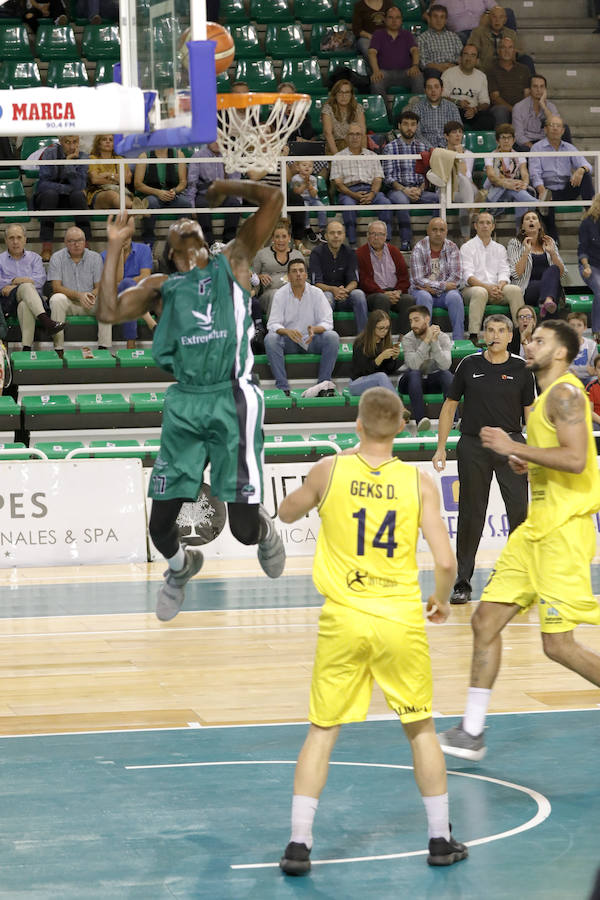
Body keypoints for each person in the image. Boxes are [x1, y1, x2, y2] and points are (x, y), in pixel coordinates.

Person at [278, 386, 467, 876]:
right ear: (403, 427)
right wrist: (442, 601)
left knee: (323, 730)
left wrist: (312, 492)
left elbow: (285, 512)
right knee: (420, 727)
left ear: (356, 426)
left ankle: (299, 844)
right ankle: (440, 839)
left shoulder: (331, 468)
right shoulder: (418, 481)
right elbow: (446, 561)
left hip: (343, 616)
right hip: (399, 618)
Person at [96, 182, 287, 621]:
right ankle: (181, 567)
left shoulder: (234, 262)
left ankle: (264, 529)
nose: (187, 224)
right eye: (179, 228)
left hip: (231, 396)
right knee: (159, 528)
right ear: (171, 250)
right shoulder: (162, 285)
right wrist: (113, 247)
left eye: (194, 224)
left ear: (204, 240)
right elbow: (107, 311)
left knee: (241, 532)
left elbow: (274, 200)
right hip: (185, 403)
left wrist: (226, 185)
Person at [439, 319, 600, 761]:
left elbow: (576, 457)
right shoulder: (548, 396)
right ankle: (472, 730)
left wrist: (515, 448)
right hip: (535, 533)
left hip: (562, 532)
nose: (530, 344)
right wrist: (529, 462)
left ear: (563, 353)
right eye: (530, 338)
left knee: (557, 645)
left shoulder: (566, 392)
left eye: (541, 340)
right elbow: (556, 459)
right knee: (484, 622)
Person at [432, 313, 535, 604]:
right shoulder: (469, 365)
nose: (496, 335)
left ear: (510, 336)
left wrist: (535, 453)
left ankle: (521, 579)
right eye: (491, 330)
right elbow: (449, 407)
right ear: (484, 334)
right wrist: (441, 447)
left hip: (511, 445)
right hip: (473, 445)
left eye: (502, 330)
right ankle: (462, 582)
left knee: (518, 514)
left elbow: (531, 415)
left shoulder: (522, 368)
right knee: (470, 514)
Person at [265, 258, 340, 395]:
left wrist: (315, 329)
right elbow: (273, 324)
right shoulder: (280, 294)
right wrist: (286, 331)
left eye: (301, 271)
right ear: (288, 276)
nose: (298, 274)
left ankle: (323, 385)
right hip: (289, 342)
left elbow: (327, 321)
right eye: (294, 271)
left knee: (332, 337)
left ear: (306, 275)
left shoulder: (317, 293)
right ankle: (282, 388)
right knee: (270, 339)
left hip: (312, 340)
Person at [460, 211, 524, 343]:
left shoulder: (500, 248)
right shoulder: (467, 247)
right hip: (472, 290)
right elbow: (468, 276)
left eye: (488, 223)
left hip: (496, 290)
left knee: (515, 290)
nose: (485, 226)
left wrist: (500, 286)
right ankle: (474, 336)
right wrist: (488, 288)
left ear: (493, 226)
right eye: (481, 223)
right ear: (475, 226)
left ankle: (520, 334)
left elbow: (504, 271)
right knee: (480, 291)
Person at [528, 116, 594, 244]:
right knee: (545, 199)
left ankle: (591, 214)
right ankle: (553, 239)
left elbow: (588, 166)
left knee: (585, 175)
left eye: (558, 126)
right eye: (552, 125)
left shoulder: (569, 147)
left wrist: (580, 170)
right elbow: (535, 174)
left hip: (566, 188)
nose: (555, 128)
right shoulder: (537, 148)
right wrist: (542, 191)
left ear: (563, 130)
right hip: (547, 189)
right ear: (546, 129)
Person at [0, 224, 64, 350]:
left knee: (25, 303)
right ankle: (46, 321)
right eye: (11, 238)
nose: (15, 241)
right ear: (6, 240)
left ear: (25, 239)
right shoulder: (0, 260)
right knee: (27, 286)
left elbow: (39, 281)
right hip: (8, 303)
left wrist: (13, 283)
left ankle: (27, 348)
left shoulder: (35, 258)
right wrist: (21, 281)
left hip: (33, 301)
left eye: (19, 237)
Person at [382, 109, 439, 251]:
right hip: (397, 189)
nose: (409, 128)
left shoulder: (423, 147)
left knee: (439, 198)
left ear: (417, 126)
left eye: (413, 124)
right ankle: (406, 242)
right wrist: (404, 189)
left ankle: (434, 239)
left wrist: (420, 188)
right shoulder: (390, 148)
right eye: (406, 124)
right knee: (401, 201)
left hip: (418, 189)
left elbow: (427, 174)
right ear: (399, 126)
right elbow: (387, 177)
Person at [330, 124, 392, 248]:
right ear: (346, 137)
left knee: (386, 203)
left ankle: (386, 242)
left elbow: (378, 178)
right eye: (351, 134)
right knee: (348, 206)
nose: (355, 137)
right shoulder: (338, 157)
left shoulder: (372, 156)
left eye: (358, 134)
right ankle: (352, 244)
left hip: (371, 190)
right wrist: (354, 195)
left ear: (363, 137)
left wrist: (372, 194)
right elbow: (338, 184)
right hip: (349, 191)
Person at [48, 227, 108, 354]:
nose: (76, 244)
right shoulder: (57, 258)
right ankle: (58, 349)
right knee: (56, 299)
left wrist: (89, 296)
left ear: (85, 241)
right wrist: (79, 295)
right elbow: (56, 287)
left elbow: (100, 286)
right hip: (68, 303)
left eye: (80, 240)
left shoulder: (95, 258)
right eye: (71, 241)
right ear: (65, 242)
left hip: (89, 302)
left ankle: (104, 349)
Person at [33, 134, 90, 263]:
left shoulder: (83, 157)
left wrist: (69, 164)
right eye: (67, 142)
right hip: (47, 198)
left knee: (78, 196)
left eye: (75, 142)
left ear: (79, 141)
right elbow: (43, 184)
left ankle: (85, 245)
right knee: (50, 194)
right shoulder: (49, 153)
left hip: (69, 199)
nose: (71, 146)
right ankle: (47, 246)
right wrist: (66, 189)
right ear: (60, 142)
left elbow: (80, 186)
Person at [400, 304, 454, 432]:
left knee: (446, 375)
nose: (413, 324)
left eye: (416, 320)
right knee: (414, 373)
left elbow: (446, 365)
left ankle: (453, 420)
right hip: (409, 383)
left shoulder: (442, 337)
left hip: (432, 380)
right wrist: (426, 341)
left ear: (427, 319)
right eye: (411, 321)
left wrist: (434, 342)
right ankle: (421, 421)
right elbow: (413, 365)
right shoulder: (408, 339)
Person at [409, 217, 465, 340]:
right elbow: (418, 279)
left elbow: (456, 277)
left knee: (455, 297)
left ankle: (459, 340)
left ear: (446, 232)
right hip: (422, 292)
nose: (438, 233)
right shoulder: (419, 248)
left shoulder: (452, 247)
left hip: (444, 293)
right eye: (434, 230)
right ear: (428, 231)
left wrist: (434, 287)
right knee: (424, 296)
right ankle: (425, 340)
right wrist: (443, 286)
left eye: (442, 230)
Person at [308, 220, 368, 332]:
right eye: (332, 233)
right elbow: (316, 283)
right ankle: (327, 336)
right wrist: (332, 290)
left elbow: (354, 281)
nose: (336, 236)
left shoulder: (350, 253)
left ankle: (363, 338)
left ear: (344, 235)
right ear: (326, 236)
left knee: (359, 295)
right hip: (325, 295)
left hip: (344, 295)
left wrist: (344, 291)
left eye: (339, 233)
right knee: (327, 297)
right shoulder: (317, 253)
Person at [356, 219, 415, 331]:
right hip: (373, 294)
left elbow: (404, 276)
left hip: (395, 292)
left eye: (380, 234)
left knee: (408, 299)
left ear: (385, 236)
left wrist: (398, 292)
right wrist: (383, 293)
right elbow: (364, 281)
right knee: (382, 299)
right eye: (373, 234)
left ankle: (405, 338)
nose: (376, 238)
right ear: (367, 235)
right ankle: (383, 339)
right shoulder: (360, 253)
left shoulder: (394, 252)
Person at [507, 210, 566, 318]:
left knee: (554, 269)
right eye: (527, 219)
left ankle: (546, 302)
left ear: (539, 225)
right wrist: (526, 252)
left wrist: (552, 253)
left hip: (550, 289)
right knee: (552, 290)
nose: (531, 220)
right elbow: (516, 274)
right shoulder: (515, 243)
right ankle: (548, 304)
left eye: (534, 218)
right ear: (522, 227)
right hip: (528, 288)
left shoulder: (549, 242)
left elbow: (562, 273)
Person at [100, 233, 155, 349]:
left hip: (142, 295)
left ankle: (131, 343)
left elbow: (145, 276)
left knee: (128, 286)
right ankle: (150, 324)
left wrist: (126, 283)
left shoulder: (144, 249)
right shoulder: (104, 256)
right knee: (127, 285)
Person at [368, 6, 425, 114]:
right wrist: (375, 70)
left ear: (401, 20)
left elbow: (415, 51)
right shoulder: (378, 34)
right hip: (385, 73)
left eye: (397, 17)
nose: (394, 21)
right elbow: (372, 52)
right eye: (391, 17)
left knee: (418, 76)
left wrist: (415, 66)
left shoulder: (407, 34)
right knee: (376, 81)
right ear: (385, 19)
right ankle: (384, 113)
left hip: (406, 72)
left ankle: (417, 113)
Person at [184, 142, 242, 247]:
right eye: (213, 139)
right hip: (205, 194)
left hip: (225, 194)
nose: (216, 142)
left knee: (235, 204)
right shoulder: (198, 156)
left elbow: (236, 181)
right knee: (201, 205)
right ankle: (209, 244)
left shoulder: (229, 156)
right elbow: (192, 183)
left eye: (219, 139)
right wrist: (191, 206)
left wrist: (239, 200)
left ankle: (228, 243)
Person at [134, 148, 192, 245]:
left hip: (172, 194)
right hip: (152, 194)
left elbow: (183, 182)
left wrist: (175, 191)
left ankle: (182, 242)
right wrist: (158, 192)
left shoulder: (179, 154)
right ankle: (148, 241)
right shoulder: (144, 156)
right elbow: (138, 184)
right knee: (151, 203)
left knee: (186, 204)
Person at [483, 123, 533, 230]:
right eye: (503, 138)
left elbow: (525, 174)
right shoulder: (489, 156)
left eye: (509, 138)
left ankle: (520, 234)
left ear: (514, 140)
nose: (506, 141)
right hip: (494, 193)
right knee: (511, 189)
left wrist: (524, 184)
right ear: (497, 141)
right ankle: (538, 204)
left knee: (519, 197)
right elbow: (492, 177)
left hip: (512, 192)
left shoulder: (520, 156)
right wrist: (509, 184)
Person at [252, 220, 305, 316]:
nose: (280, 240)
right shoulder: (262, 254)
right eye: (277, 237)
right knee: (276, 294)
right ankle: (274, 329)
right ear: (272, 238)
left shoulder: (297, 255)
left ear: (289, 237)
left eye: (284, 237)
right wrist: (259, 277)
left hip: (293, 292)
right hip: (269, 295)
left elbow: (306, 278)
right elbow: (251, 277)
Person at [441, 43, 495, 131]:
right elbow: (441, 97)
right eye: (466, 54)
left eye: (473, 55)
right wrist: (458, 102)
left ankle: (476, 142)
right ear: (460, 58)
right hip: (454, 110)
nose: (469, 58)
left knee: (488, 119)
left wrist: (475, 109)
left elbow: (485, 102)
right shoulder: (448, 73)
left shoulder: (481, 76)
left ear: (477, 60)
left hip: (473, 111)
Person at [348, 309, 402, 394]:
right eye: (381, 328)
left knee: (382, 377)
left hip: (378, 382)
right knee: (381, 377)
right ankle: (398, 406)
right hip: (357, 383)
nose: (384, 331)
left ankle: (395, 406)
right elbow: (362, 371)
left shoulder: (386, 342)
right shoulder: (360, 343)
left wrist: (394, 358)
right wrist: (380, 358)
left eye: (387, 328)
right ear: (372, 327)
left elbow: (389, 371)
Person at [468, 5, 533, 75]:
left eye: (501, 17)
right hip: (485, 69)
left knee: (527, 59)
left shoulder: (511, 33)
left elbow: (520, 51)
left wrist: (512, 54)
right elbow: (471, 50)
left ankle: (534, 83)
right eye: (494, 17)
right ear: (489, 19)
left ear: (505, 20)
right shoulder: (478, 33)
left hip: (506, 68)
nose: (497, 20)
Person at [512, 74, 570, 152]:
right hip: (527, 143)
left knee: (565, 129)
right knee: (523, 149)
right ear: (529, 89)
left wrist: (543, 106)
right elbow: (518, 135)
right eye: (535, 86)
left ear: (545, 89)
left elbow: (557, 125)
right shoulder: (519, 107)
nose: (539, 90)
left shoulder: (550, 106)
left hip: (546, 141)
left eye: (542, 86)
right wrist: (534, 147)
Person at [443, 120, 479, 242]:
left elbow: (466, 174)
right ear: (446, 136)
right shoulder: (441, 153)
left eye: (460, 132)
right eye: (454, 132)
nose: (458, 135)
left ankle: (466, 240)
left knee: (465, 184)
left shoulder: (469, 154)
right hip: (449, 189)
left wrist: (460, 155)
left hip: (465, 189)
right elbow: (444, 177)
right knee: (465, 189)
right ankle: (471, 206)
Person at [86, 134, 142, 212]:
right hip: (99, 192)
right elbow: (95, 179)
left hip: (120, 190)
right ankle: (137, 207)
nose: (108, 141)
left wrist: (108, 175)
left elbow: (127, 179)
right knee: (111, 194)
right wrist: (117, 178)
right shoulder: (92, 158)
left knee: (122, 196)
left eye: (111, 140)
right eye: (104, 139)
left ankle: (134, 207)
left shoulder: (120, 159)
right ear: (98, 143)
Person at [486, 36, 531, 127]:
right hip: (501, 108)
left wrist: (521, 109)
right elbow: (495, 98)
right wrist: (514, 110)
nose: (507, 51)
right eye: (503, 47)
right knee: (500, 110)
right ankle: (503, 139)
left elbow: (527, 94)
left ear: (514, 51)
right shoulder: (491, 70)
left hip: (521, 108)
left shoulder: (524, 69)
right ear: (498, 51)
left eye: (510, 47)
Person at [418, 4, 464, 82]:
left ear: (445, 20)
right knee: (431, 73)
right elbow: (423, 62)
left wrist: (452, 66)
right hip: (434, 70)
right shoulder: (422, 38)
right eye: (435, 16)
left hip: (453, 68)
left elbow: (461, 56)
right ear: (429, 18)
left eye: (442, 17)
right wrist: (439, 67)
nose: (439, 20)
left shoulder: (453, 36)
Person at [321, 79, 367, 157]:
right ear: (335, 94)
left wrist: (362, 155)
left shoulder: (358, 108)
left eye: (347, 92)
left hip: (353, 143)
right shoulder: (328, 109)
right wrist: (337, 157)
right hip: (335, 144)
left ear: (351, 95)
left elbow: (362, 133)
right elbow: (328, 133)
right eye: (340, 92)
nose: (344, 96)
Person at [413, 75, 462, 148]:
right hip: (426, 150)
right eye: (429, 88)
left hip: (449, 150)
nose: (433, 90)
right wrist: (431, 149)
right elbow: (417, 133)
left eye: (436, 87)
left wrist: (448, 149)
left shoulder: (452, 107)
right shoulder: (418, 108)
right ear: (425, 90)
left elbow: (458, 131)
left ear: (442, 89)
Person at [578, 194, 600, 342]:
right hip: (590, 264)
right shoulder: (587, 223)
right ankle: (597, 331)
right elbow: (582, 249)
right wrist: (586, 266)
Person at [290, 161, 328, 239]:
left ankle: (322, 228)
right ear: (298, 168)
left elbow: (314, 194)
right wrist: (304, 184)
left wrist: (310, 186)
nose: (307, 167)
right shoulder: (295, 178)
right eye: (304, 165)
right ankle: (307, 227)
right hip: (302, 199)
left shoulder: (313, 178)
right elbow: (296, 192)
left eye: (310, 166)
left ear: (313, 169)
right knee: (305, 209)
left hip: (313, 199)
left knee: (322, 207)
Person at [566, 311, 597, 387]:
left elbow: (594, 368)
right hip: (569, 377)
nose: (575, 328)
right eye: (572, 325)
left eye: (579, 325)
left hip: (588, 378)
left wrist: (594, 371)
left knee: (594, 380)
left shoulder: (592, 345)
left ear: (585, 328)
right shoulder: (562, 344)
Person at [585, 355, 600, 424]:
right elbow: (589, 411)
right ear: (595, 370)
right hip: (597, 422)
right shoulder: (590, 387)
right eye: (599, 368)